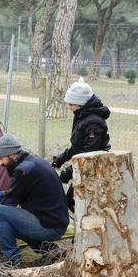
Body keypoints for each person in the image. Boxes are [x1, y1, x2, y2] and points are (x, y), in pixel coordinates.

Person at [0, 134, 69, 268]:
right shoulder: (33, 162)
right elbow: (20, 191)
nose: (0, 163)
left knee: (0, 214)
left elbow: (10, 202)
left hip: (49, 227)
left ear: (11, 155)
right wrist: (1, 194)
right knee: (12, 222)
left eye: (1, 158)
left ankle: (11, 262)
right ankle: (50, 250)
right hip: (57, 222)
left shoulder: (22, 170)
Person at [51, 77, 111, 211]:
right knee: (71, 201)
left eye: (71, 104)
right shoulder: (81, 116)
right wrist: (60, 159)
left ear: (80, 103)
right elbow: (78, 147)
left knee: (77, 202)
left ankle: (85, 224)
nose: (69, 107)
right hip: (84, 167)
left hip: (94, 169)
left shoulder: (94, 122)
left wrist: (68, 173)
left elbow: (89, 155)